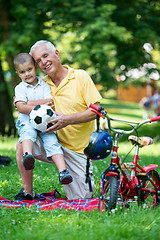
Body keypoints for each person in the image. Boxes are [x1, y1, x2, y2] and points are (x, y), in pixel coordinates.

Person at [15, 40, 102, 200]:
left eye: (45, 56)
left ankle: (78, 178)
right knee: (23, 143)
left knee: (81, 198)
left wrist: (67, 120)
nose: (43, 62)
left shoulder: (80, 77)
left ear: (57, 54)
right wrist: (22, 103)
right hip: (51, 142)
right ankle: (27, 192)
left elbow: (95, 112)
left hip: (78, 152)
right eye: (39, 61)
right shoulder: (41, 84)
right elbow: (21, 100)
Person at [14, 52, 73, 199]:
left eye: (29, 70)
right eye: (22, 72)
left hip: (44, 122)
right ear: (17, 73)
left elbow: (50, 103)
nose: (27, 74)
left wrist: (28, 104)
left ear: (35, 67)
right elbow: (21, 108)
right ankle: (27, 156)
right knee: (28, 134)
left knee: (52, 142)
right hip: (27, 121)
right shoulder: (20, 88)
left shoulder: (44, 85)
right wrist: (39, 104)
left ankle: (63, 172)